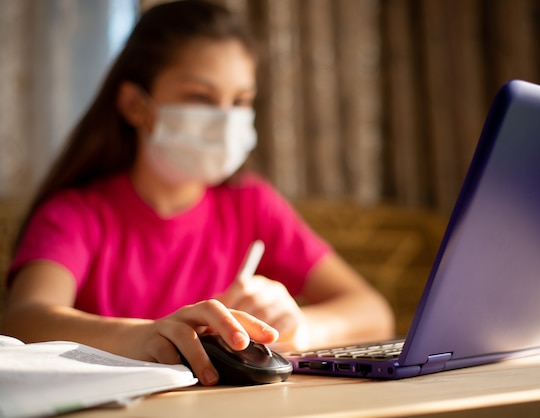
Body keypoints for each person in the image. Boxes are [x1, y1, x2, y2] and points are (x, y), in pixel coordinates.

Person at [1, 0, 394, 386]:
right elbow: (23, 317)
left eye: (240, 101)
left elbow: (373, 310)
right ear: (136, 105)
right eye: (200, 98)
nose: (225, 120)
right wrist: (146, 336)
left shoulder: (253, 204)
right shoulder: (76, 213)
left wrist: (300, 328)